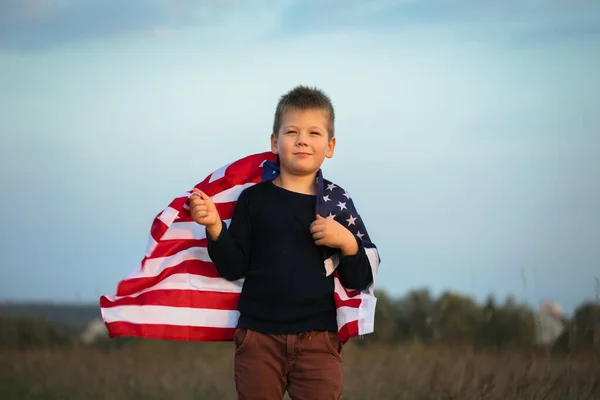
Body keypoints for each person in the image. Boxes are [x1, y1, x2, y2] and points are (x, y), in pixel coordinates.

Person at [189, 85, 375, 400]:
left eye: (314, 133)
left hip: (319, 339)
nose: (302, 139)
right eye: (292, 131)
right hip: (258, 337)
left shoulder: (337, 204)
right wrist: (215, 228)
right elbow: (233, 266)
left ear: (330, 146)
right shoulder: (254, 199)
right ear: (275, 142)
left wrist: (347, 243)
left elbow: (361, 277)